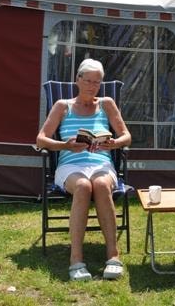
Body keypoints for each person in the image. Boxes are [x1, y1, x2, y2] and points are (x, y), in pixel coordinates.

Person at [36, 58, 131, 281]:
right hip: (70, 165)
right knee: (82, 186)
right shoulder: (62, 106)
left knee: (99, 184)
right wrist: (65, 145)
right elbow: (41, 139)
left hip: (101, 164)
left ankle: (113, 256)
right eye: (88, 81)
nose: (92, 86)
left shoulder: (107, 104)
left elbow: (126, 135)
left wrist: (114, 144)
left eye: (97, 82)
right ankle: (76, 260)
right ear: (77, 80)